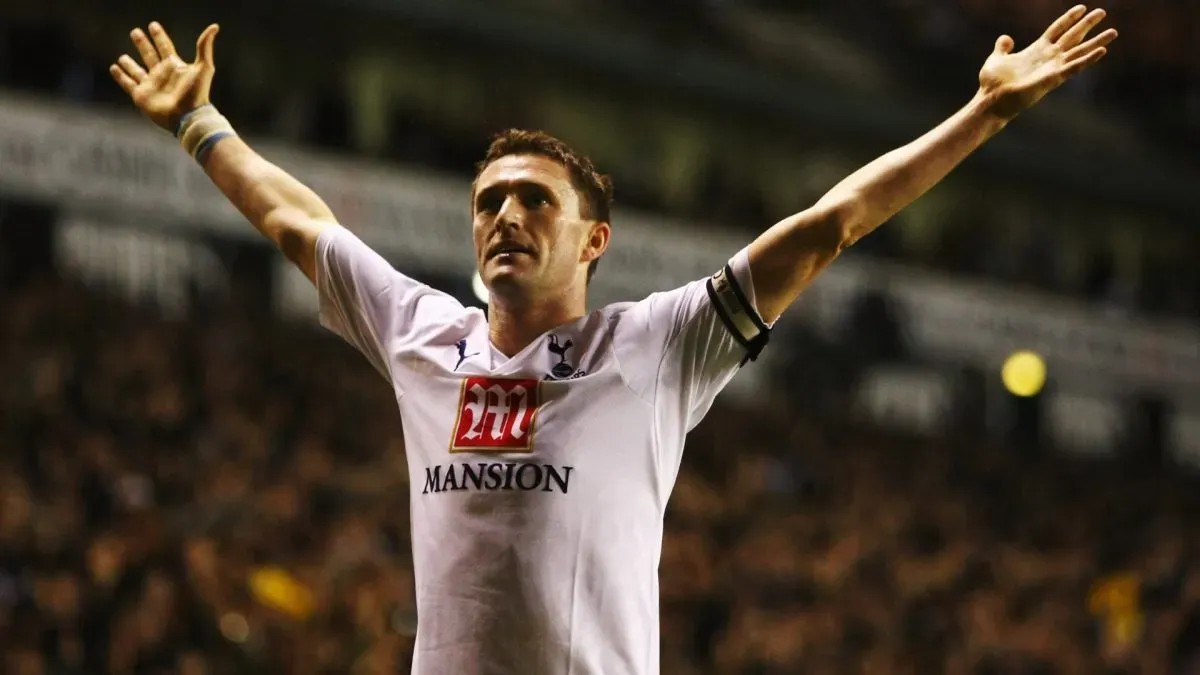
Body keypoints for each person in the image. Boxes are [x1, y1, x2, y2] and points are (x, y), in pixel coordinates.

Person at [108, 7, 1116, 674]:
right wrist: (201, 124)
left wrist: (982, 115)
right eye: (488, 200)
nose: (504, 215)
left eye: (532, 200)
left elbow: (830, 223)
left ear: (593, 240)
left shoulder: (660, 345)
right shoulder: (421, 334)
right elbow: (298, 222)